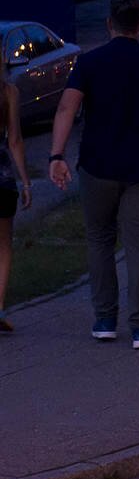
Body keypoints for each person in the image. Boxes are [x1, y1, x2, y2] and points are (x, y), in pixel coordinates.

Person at [48, 0, 139, 348]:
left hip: (97, 166)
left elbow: (66, 108)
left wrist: (57, 155)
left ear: (109, 24)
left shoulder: (89, 63)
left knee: (100, 240)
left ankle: (105, 319)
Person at [0, 62, 30, 331]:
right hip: (3, 179)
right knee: (3, 245)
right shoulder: (9, 92)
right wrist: (26, 182)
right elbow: (15, 140)